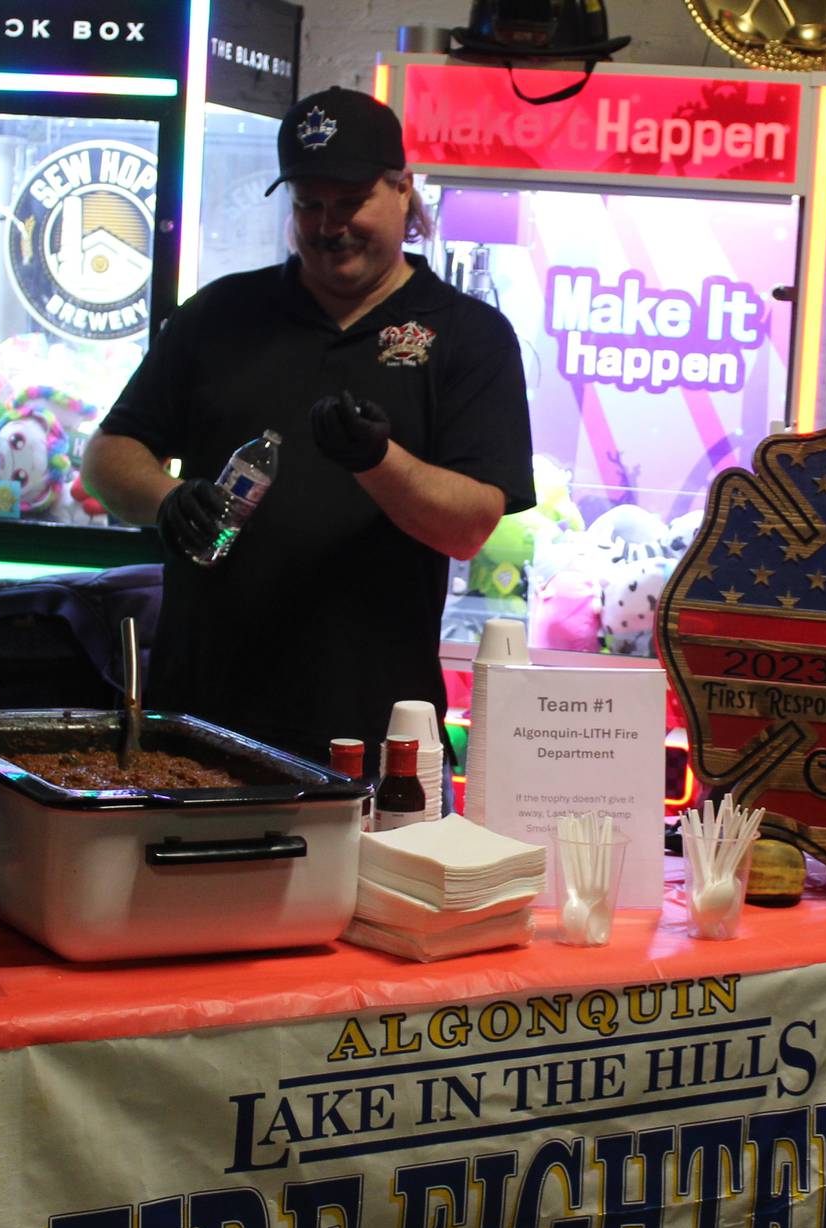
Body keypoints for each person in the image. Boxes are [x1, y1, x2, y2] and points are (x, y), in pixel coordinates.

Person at [83, 86, 534, 774]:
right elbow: (109, 455)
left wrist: (379, 460)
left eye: (351, 201)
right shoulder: (221, 315)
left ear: (402, 191)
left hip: (372, 726)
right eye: (309, 205)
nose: (330, 226)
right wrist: (168, 499)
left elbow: (469, 524)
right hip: (200, 721)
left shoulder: (467, 336)